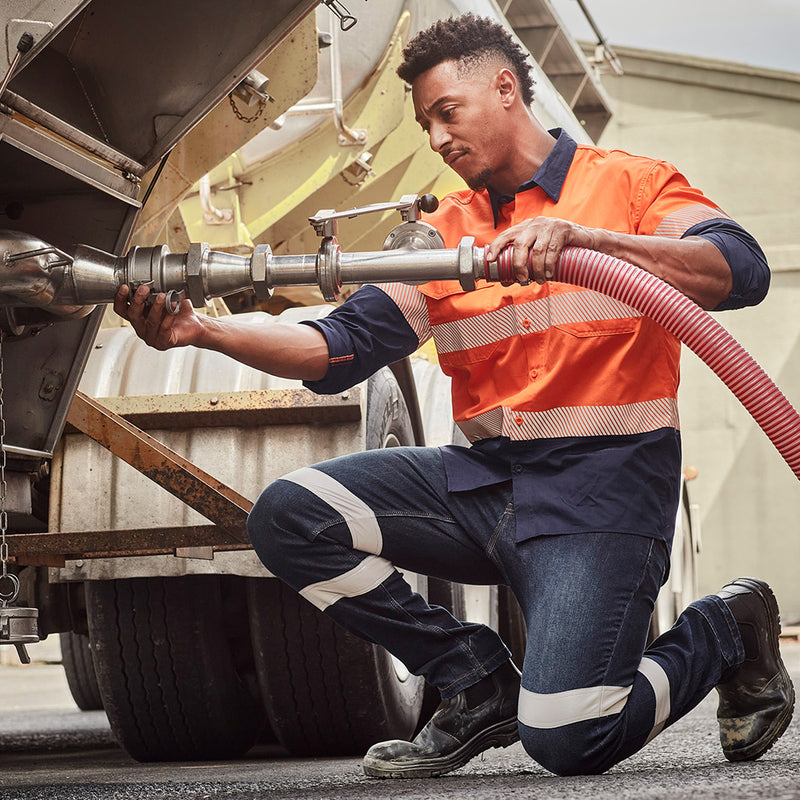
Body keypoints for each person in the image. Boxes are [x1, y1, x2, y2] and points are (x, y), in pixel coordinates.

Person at [114, 13, 793, 779]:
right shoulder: (447, 233)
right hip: (487, 488)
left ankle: (727, 627)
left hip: (602, 499)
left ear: (505, 88)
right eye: (425, 124)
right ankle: (477, 679)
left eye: (447, 113)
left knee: (570, 737)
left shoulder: (627, 187)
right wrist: (203, 334)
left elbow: (740, 268)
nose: (436, 139)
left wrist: (594, 243)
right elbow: (336, 350)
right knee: (290, 514)